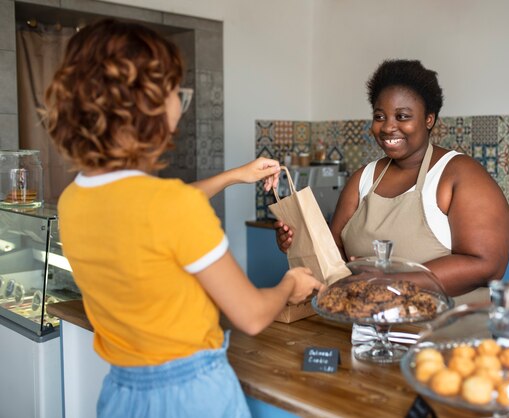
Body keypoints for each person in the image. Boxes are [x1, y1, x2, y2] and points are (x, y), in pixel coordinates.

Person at [44, 19, 322, 418]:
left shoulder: (73, 201)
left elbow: (148, 214)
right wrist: (290, 284)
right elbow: (252, 315)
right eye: (175, 89)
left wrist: (234, 176)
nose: (179, 100)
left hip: (121, 393)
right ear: (148, 106)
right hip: (194, 395)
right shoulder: (170, 206)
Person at [275, 59, 509, 302]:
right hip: (367, 332)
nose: (388, 127)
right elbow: (333, 260)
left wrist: (391, 282)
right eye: (380, 116)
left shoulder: (459, 174)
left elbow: (487, 265)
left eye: (402, 116)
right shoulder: (363, 179)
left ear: (429, 119)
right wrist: (299, 244)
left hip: (445, 333)